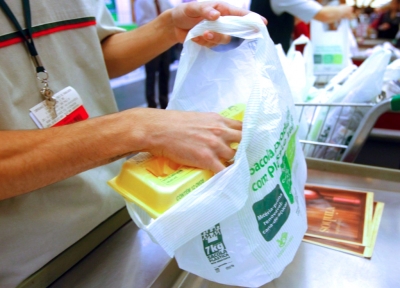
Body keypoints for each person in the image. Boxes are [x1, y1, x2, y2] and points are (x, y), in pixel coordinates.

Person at [0, 1, 264, 286]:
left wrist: (167, 28)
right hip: (29, 263)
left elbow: (91, 52)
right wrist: (133, 129)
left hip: (116, 214)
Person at [250, 0, 354, 52]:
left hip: (269, 54)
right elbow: (324, 15)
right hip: (266, 57)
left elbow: (292, 21)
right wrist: (345, 9)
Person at [135, 0, 173, 109]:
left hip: (165, 43)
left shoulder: (164, 2)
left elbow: (171, 14)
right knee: (151, 76)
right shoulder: (142, 2)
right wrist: (160, 25)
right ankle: (151, 105)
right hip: (150, 43)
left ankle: (164, 103)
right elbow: (142, 23)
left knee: (165, 74)